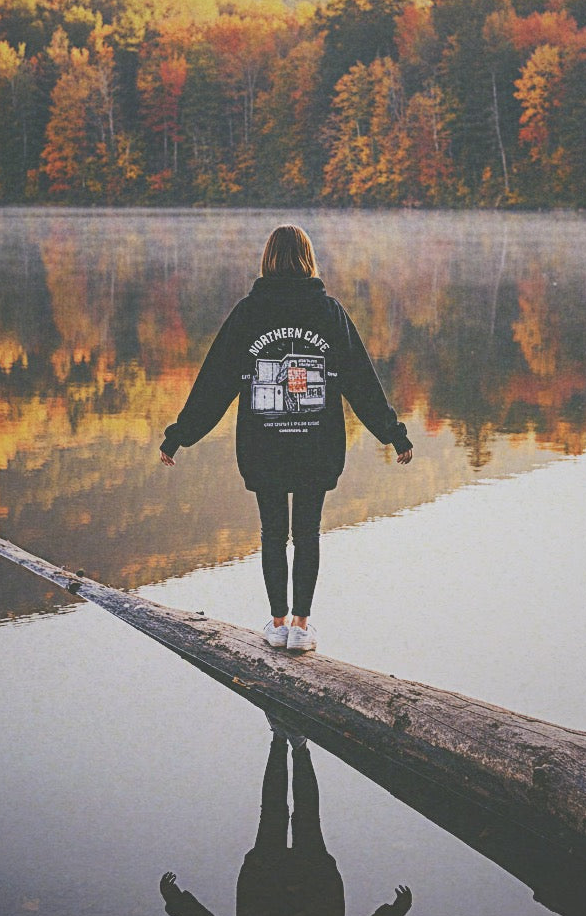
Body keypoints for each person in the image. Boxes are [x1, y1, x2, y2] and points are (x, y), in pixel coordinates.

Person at [160, 224, 412, 652]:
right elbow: (361, 380)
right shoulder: (329, 313)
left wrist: (179, 436)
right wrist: (393, 433)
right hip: (317, 443)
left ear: (268, 259)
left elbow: (215, 382)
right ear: (309, 259)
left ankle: (276, 624)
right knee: (308, 533)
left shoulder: (248, 313)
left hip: (264, 445)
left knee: (273, 533)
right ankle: (301, 626)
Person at [160, 717, 413, 916]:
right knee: (294, 818)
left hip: (269, 898)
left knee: (284, 816)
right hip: (308, 900)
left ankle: (285, 740)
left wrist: (181, 905)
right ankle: (293, 743)